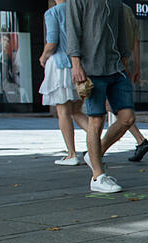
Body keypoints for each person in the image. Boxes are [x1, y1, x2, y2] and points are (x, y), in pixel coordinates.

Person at [67, 0, 134, 193]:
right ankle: (97, 176)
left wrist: (125, 63)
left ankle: (94, 154)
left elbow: (121, 32)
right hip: (91, 68)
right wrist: (76, 64)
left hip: (116, 68)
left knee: (128, 118)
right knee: (96, 120)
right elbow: (73, 30)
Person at [38, 0, 89, 166]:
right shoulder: (80, 10)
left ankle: (71, 154)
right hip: (79, 65)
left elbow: (52, 42)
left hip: (60, 66)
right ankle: (99, 145)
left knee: (63, 112)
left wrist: (43, 57)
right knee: (76, 110)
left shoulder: (52, 13)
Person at [120, 4, 148, 162]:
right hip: (124, 64)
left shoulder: (108, 7)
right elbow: (136, 41)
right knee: (116, 107)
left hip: (110, 65)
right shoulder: (127, 10)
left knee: (110, 107)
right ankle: (140, 140)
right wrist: (137, 67)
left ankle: (97, 147)